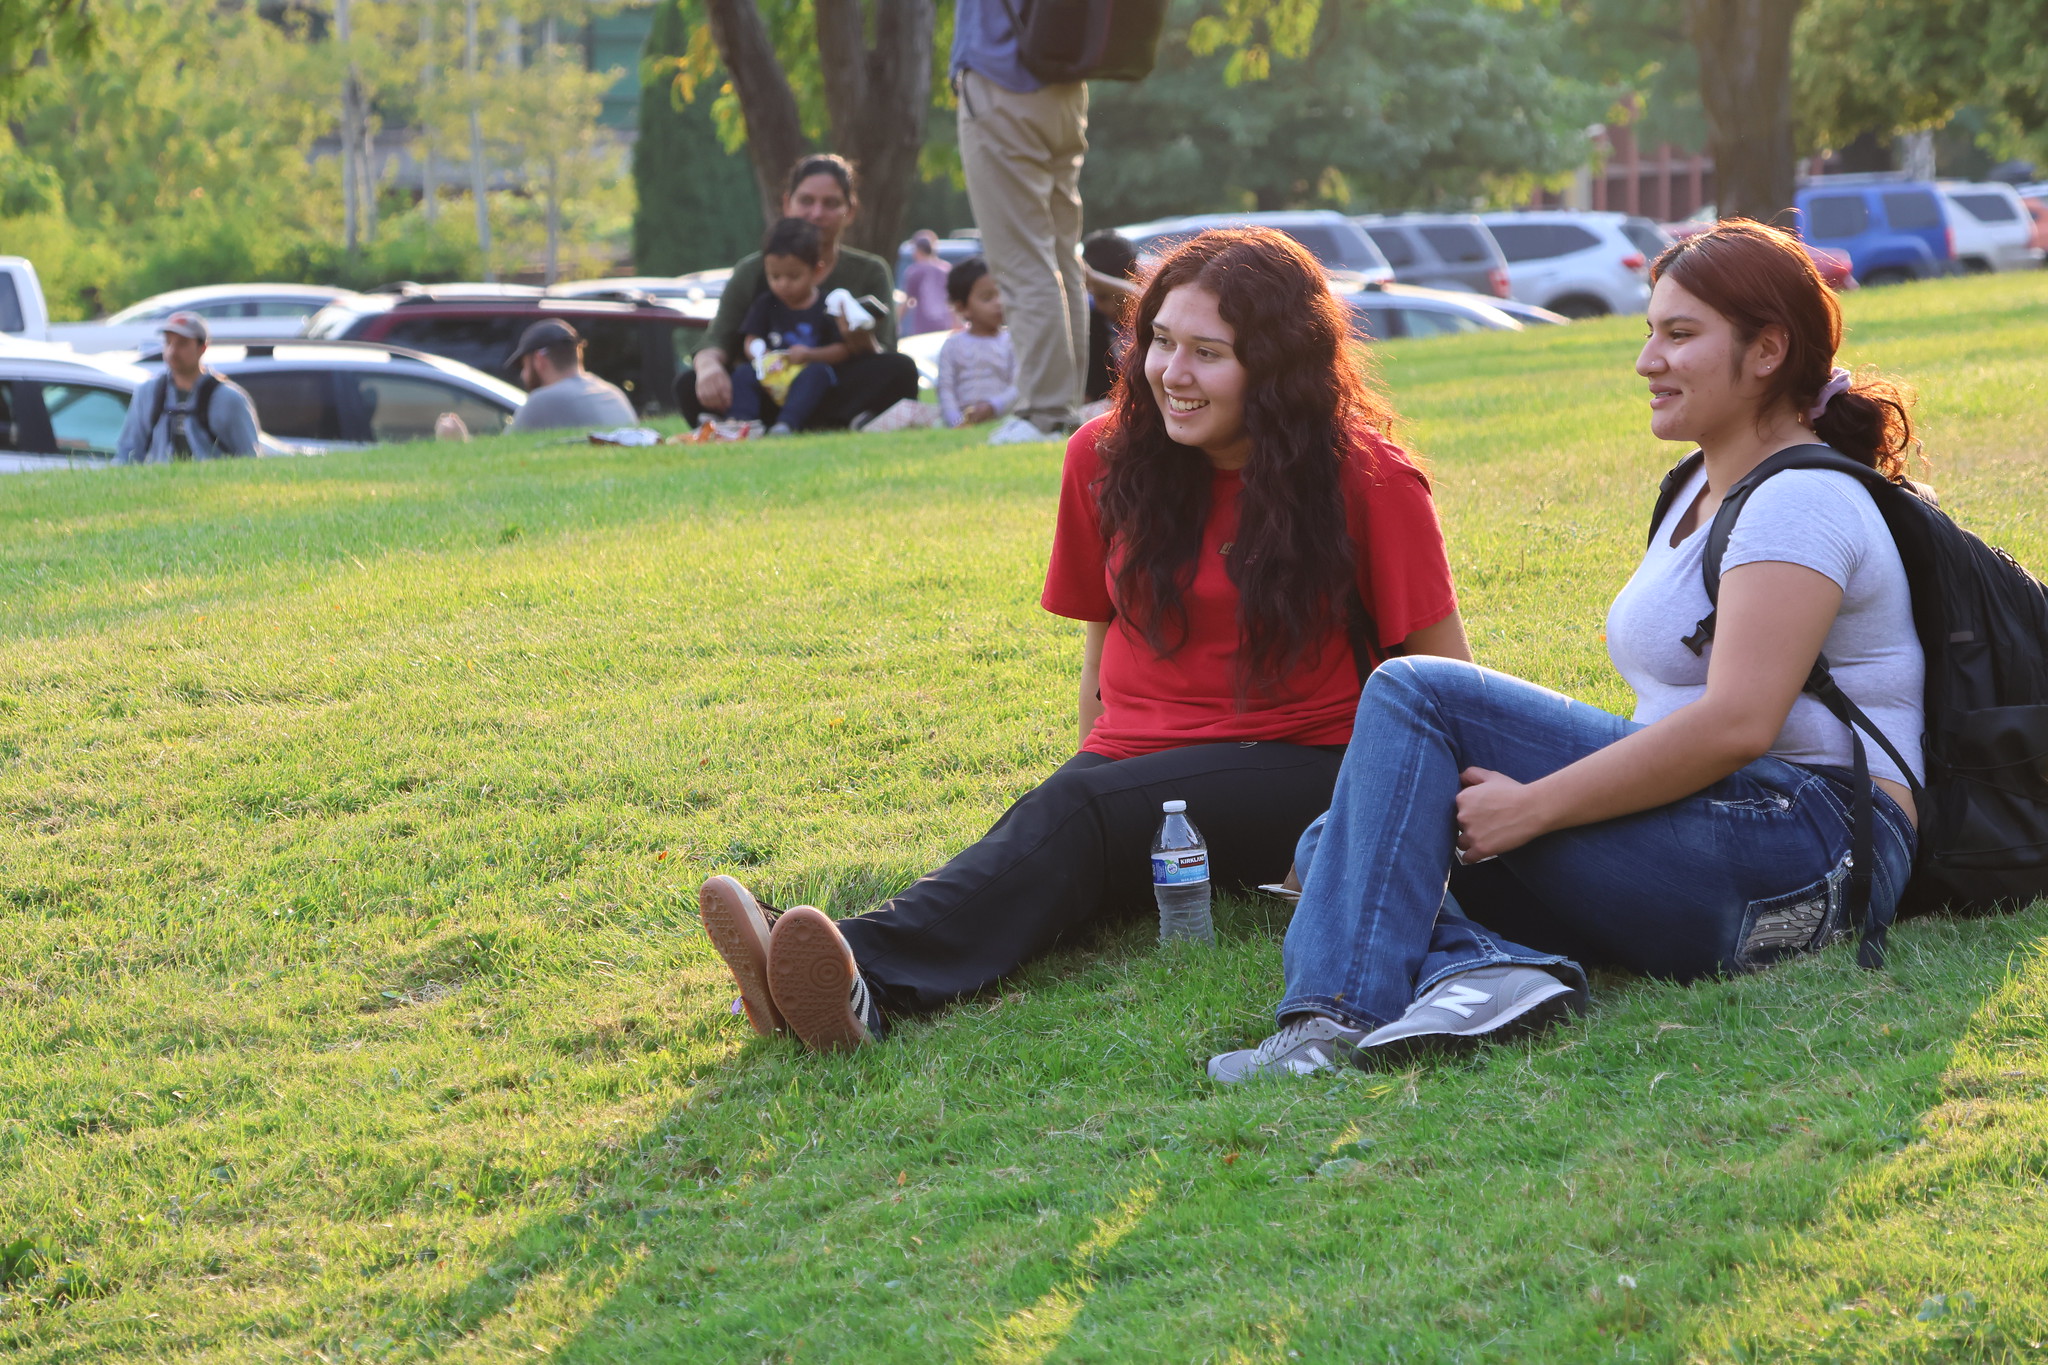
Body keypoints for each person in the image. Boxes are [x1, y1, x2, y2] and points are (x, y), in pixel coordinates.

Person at [698, 228, 1470, 1052]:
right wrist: (1094, 768)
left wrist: (1440, 825)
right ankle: (805, 975)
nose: (1173, 374)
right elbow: (1103, 647)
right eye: (1160, 342)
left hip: (1310, 767)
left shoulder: (1371, 480)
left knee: (1080, 814)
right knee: (1051, 829)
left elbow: (1445, 681)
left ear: (1279, 365)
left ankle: (865, 980)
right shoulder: (1101, 460)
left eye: (1208, 353)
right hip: (1136, 765)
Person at [1208, 219, 1925, 1083]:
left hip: (1809, 852)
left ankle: (1331, 1020)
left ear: (1768, 350)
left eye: (1680, 334)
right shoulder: (1701, 484)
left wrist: (1537, 805)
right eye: (1649, 331)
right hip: (1721, 827)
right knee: (1351, 833)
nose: (1647, 361)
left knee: (1417, 694)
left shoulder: (1800, 501)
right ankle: (1486, 970)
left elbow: (1738, 724)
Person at [677, 154, 919, 431]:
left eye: (830, 204)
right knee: (688, 383)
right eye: (806, 201)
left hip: (832, 383)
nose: (816, 213)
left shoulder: (869, 270)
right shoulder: (753, 270)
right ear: (786, 203)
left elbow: (883, 352)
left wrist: (857, 338)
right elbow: (716, 340)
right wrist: (709, 370)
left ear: (850, 211)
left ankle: (794, 423)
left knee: (901, 370)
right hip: (767, 386)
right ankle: (799, 423)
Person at [953, 0, 1089, 445]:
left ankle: (1044, 412)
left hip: (1001, 75)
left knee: (1021, 256)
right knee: (1061, 254)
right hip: (1065, 86)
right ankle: (1063, 406)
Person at [730, 217, 874, 435]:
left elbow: (843, 350)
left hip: (807, 375)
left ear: (817, 271)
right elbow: (751, 339)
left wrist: (810, 355)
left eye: (793, 276)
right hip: (772, 373)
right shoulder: (766, 303)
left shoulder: (827, 305)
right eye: (774, 276)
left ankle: (787, 424)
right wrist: (760, 354)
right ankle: (742, 422)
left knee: (817, 374)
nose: (783, 284)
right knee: (743, 374)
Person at [114, 312, 261, 463]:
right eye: (168, 342)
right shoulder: (148, 393)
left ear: (202, 348)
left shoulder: (230, 399)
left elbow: (249, 460)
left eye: (182, 343)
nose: (172, 351)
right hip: (159, 486)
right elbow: (127, 454)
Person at [507, 320, 636, 432]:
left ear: (539, 360)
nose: (523, 374)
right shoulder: (613, 392)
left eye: (524, 366)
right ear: (579, 352)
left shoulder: (541, 401)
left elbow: (506, 450)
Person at [936, 256, 1016, 428]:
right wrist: (956, 421)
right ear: (962, 308)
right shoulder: (952, 345)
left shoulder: (1012, 342)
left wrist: (994, 407)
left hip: (1003, 418)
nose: (999, 303)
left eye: (1002, 294)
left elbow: (1019, 386)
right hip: (962, 418)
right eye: (987, 298)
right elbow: (945, 389)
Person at [1082, 229, 1141, 405]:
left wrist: (1092, 277)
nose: (1099, 306)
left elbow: (1142, 296)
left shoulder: (1153, 318)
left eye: (1105, 297)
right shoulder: (1094, 322)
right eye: (1096, 297)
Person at [902, 230, 954, 335]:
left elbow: (907, 302)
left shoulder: (914, 271)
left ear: (918, 250)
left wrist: (895, 322)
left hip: (924, 327)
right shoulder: (947, 269)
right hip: (945, 324)